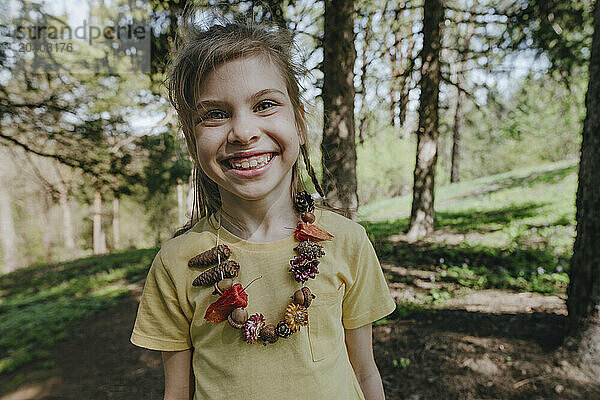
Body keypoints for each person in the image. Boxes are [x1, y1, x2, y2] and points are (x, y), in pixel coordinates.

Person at [130, 8, 396, 400]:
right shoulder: (176, 263)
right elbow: (177, 392)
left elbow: (365, 372)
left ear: (300, 124)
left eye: (265, 105)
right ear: (191, 142)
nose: (243, 132)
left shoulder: (347, 242)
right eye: (216, 115)